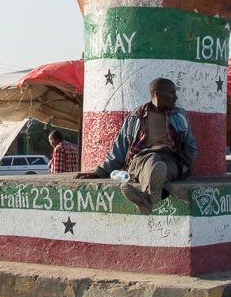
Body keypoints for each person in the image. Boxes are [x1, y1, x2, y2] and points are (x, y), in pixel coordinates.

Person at [75, 78, 197, 214]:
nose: (175, 97)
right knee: (153, 160)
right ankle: (152, 193)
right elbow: (119, 149)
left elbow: (190, 145)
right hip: (141, 159)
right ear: (158, 94)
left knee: (164, 168)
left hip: (171, 159)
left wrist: (186, 163)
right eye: (172, 92)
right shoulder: (136, 117)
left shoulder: (179, 116)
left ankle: (146, 197)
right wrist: (99, 172)